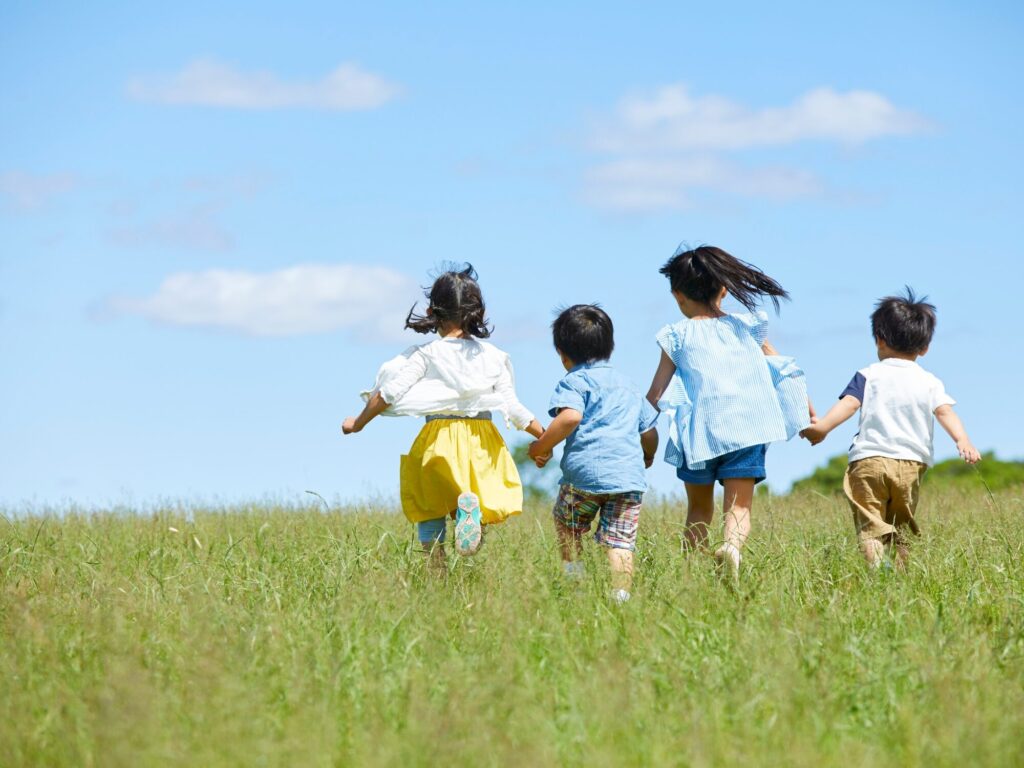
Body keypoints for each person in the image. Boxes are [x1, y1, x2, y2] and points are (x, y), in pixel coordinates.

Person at [342, 264, 544, 562]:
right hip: (482, 442)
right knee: (478, 509)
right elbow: (513, 407)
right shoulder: (494, 357)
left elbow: (388, 394)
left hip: (439, 439)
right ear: (477, 312)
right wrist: (545, 437)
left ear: (432, 310)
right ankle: (469, 516)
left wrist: (357, 423)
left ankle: (436, 578)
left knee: (430, 510)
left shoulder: (426, 354)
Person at [646, 244, 812, 580]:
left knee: (698, 510)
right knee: (738, 507)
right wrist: (808, 410)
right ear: (724, 288)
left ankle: (691, 574)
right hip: (746, 429)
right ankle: (731, 549)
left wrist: (639, 432)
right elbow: (782, 368)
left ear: (678, 295)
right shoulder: (747, 326)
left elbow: (655, 394)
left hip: (698, 435)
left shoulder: (676, 335)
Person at [800, 288, 980, 568]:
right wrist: (963, 440)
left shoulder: (868, 375)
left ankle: (876, 571)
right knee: (902, 524)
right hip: (911, 464)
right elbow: (945, 411)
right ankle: (901, 574)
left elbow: (848, 405)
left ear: (879, 340)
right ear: (924, 347)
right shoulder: (929, 381)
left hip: (869, 460)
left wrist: (822, 428)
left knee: (871, 523)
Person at [528, 305, 659, 603]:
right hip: (628, 479)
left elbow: (570, 418)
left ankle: (574, 584)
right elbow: (649, 432)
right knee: (621, 542)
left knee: (568, 525)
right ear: (609, 347)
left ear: (562, 354)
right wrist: (647, 455)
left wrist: (540, 446)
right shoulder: (629, 385)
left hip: (583, 477)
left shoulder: (574, 381)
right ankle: (620, 597)